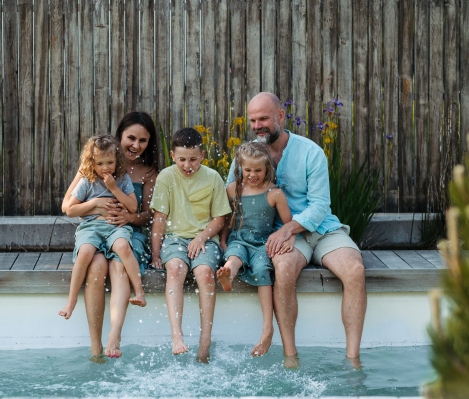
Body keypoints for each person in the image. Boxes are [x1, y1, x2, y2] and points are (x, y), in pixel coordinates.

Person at [226, 92, 366, 368]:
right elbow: (231, 195)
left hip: (320, 229)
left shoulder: (310, 151)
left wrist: (290, 229)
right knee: (284, 270)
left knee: (355, 270)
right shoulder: (247, 154)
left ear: (280, 116)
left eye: (263, 118)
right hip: (280, 234)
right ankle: (291, 356)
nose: (257, 126)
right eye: (253, 120)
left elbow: (320, 205)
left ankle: (353, 358)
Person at [62, 111, 160, 360]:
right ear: (119, 137)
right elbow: (67, 207)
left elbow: (149, 215)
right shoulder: (95, 164)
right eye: (131, 138)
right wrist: (96, 206)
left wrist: (129, 218)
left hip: (129, 233)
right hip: (96, 229)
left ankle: (114, 337)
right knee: (95, 266)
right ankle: (96, 348)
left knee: (118, 265)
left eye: (143, 140)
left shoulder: (148, 173)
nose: (136, 145)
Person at [150, 127, 232, 363]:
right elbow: (159, 220)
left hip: (205, 237)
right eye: (182, 159)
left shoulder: (212, 177)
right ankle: (177, 335)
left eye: (193, 159)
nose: (188, 165)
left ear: (203, 156)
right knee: (175, 268)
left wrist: (201, 238)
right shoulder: (166, 177)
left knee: (205, 273)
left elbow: (219, 219)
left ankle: (205, 343)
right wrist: (156, 255)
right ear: (173, 156)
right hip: (175, 237)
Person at [217, 142, 296, 357]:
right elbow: (226, 219)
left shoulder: (274, 193)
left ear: (267, 168)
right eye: (248, 170)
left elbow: (289, 223)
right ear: (240, 167)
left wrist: (292, 239)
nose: (252, 175)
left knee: (263, 270)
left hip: (263, 244)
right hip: (239, 239)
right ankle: (228, 275)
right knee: (234, 256)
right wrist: (223, 239)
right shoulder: (233, 189)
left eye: (258, 170)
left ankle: (267, 329)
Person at [59, 135, 146, 321]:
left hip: (116, 227)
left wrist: (114, 189)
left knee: (123, 247)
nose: (105, 167)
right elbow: (70, 210)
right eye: (100, 163)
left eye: (110, 162)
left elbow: (132, 207)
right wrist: (95, 202)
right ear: (91, 163)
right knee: (85, 252)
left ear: (117, 160)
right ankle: (71, 300)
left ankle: (139, 292)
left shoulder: (122, 179)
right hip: (91, 227)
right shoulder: (86, 181)